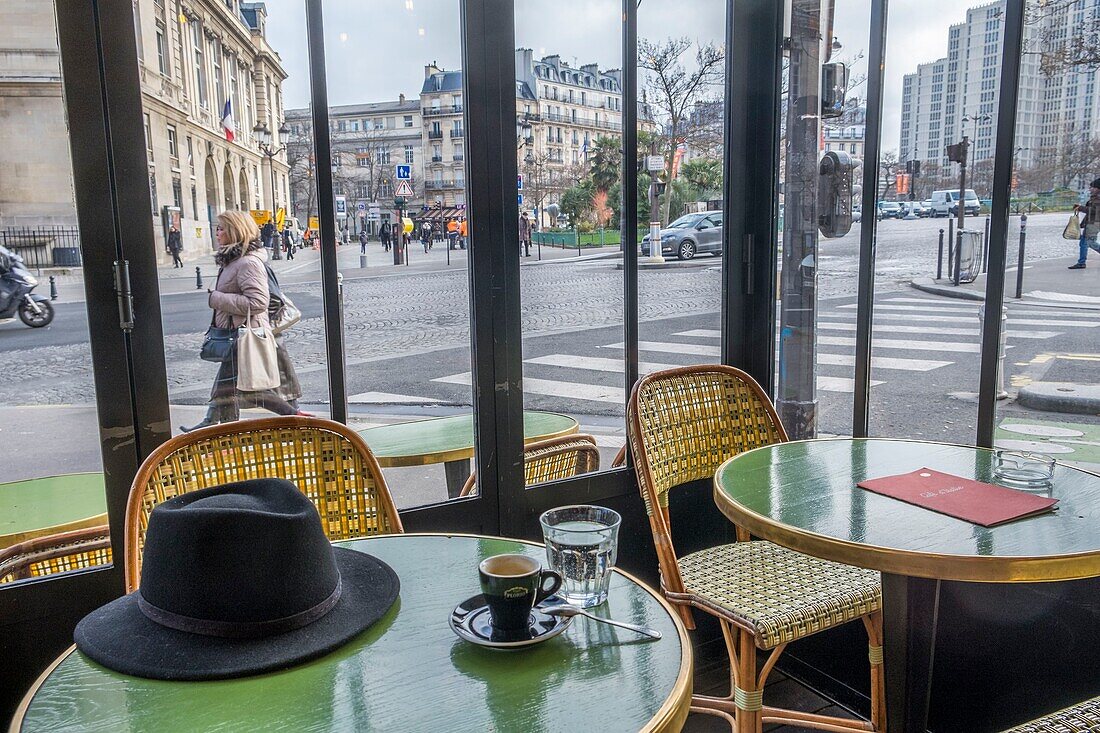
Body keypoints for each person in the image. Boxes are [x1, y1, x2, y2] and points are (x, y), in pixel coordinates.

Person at [181, 211, 305, 433]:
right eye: (217, 228)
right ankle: (218, 429)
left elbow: (259, 302)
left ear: (235, 231)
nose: (217, 232)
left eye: (221, 228)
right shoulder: (232, 261)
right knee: (225, 389)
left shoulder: (248, 263)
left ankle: (295, 417)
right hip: (234, 333)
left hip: (243, 335)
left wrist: (216, 299)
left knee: (242, 390)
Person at [1069, 177, 1100, 269]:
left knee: (1089, 242)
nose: (1090, 189)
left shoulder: (1098, 198)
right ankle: (1081, 262)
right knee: (1083, 242)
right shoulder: (1094, 198)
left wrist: (1080, 208)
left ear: (1098, 188)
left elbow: (1095, 211)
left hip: (1094, 223)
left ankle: (1081, 262)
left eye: (1092, 187)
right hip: (1091, 223)